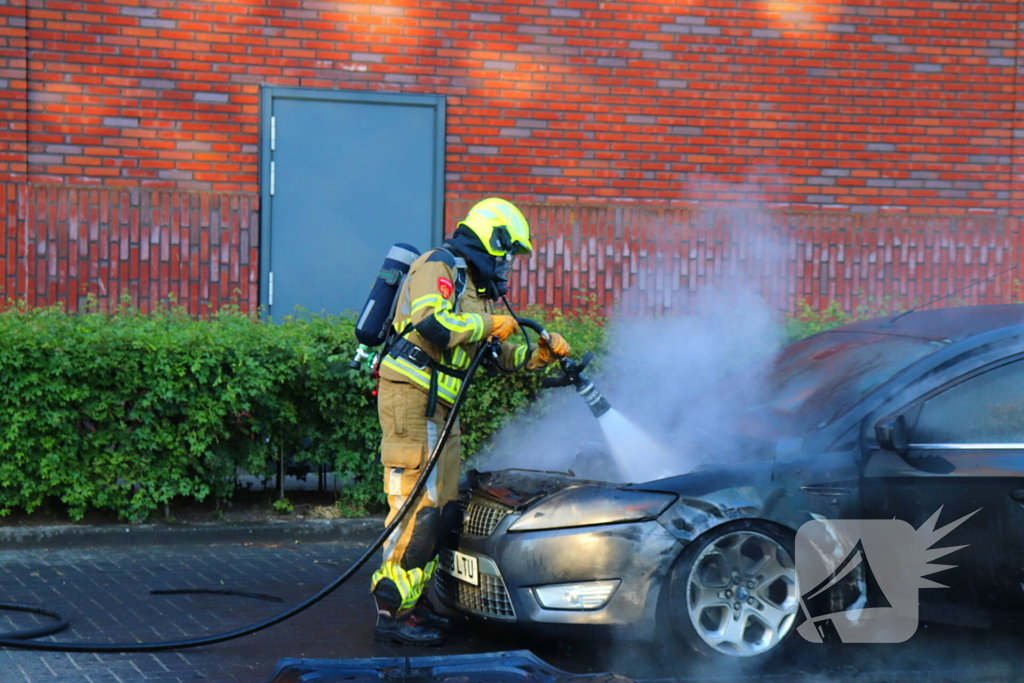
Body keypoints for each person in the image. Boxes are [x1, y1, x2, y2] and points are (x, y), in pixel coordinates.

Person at [370, 198, 571, 645]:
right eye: (508, 253)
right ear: (492, 238)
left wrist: (538, 355)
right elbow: (431, 324)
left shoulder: (475, 291)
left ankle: (415, 603)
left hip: (442, 409)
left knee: (439, 508)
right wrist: (487, 324)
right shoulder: (437, 265)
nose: (507, 265)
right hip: (412, 399)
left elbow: (499, 358)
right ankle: (391, 610)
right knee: (415, 505)